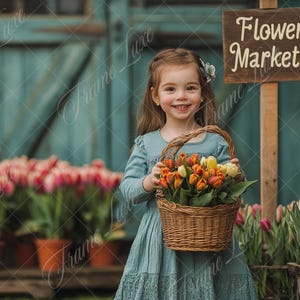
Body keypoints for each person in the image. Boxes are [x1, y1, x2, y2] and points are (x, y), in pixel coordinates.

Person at [114, 48, 257, 300]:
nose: (181, 96)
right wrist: (148, 182)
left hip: (208, 237)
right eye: (170, 89)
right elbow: (127, 190)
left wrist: (234, 177)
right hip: (160, 237)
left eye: (190, 88)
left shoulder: (215, 142)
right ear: (155, 96)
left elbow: (233, 192)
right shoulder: (147, 144)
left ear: (202, 94)